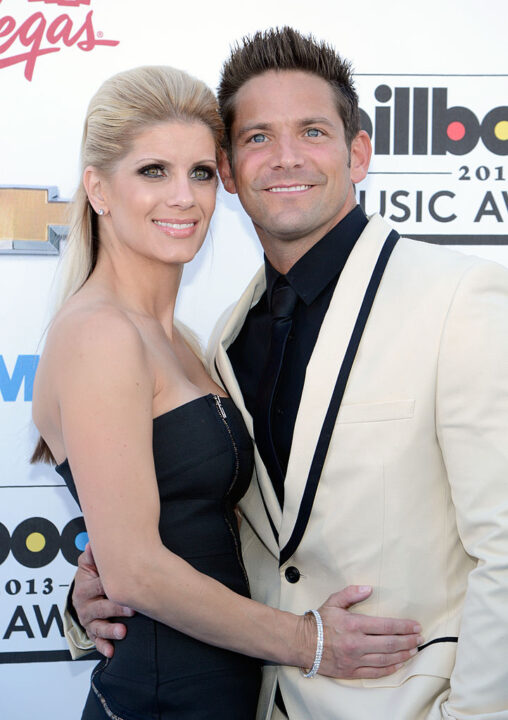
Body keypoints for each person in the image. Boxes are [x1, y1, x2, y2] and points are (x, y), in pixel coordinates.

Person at [66, 28, 508, 719]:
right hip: (253, 699)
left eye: (311, 131)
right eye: (258, 138)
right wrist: (95, 592)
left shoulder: (459, 299)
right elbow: (226, 531)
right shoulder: (220, 338)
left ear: (358, 152)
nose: (287, 158)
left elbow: (504, 551)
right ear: (233, 172)